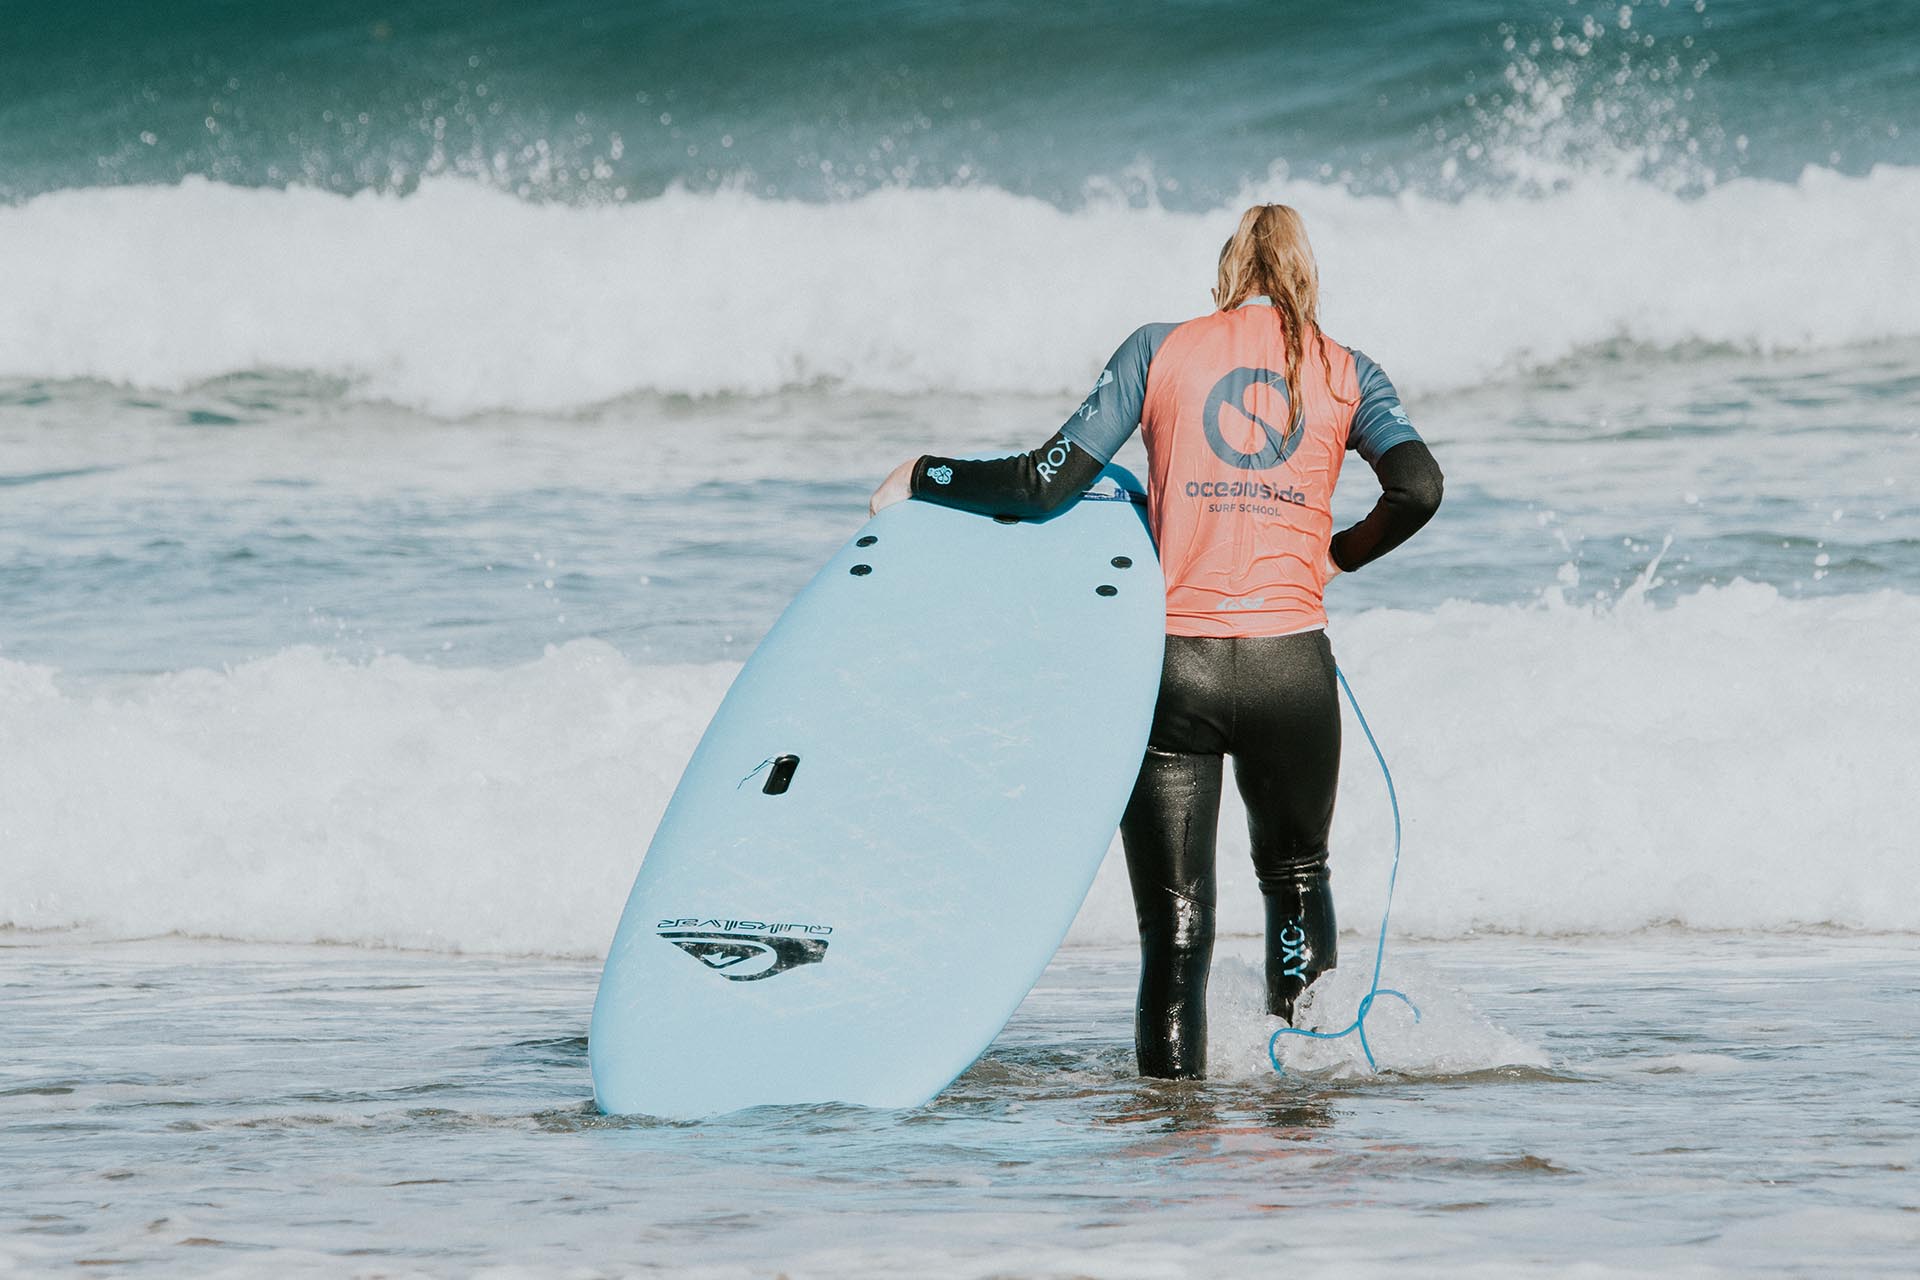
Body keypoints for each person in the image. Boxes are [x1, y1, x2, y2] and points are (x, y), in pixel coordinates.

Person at [868, 204, 1443, 1079]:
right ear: (1303, 277)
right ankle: (1307, 1111)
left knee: (1175, 928)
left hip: (1179, 671)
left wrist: (925, 475)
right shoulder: (1348, 370)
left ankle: (1171, 1129)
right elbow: (1418, 488)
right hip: (1293, 667)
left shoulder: (1158, 349)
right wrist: (1335, 557)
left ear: (1226, 274)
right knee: (1296, 882)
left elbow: (1041, 485)